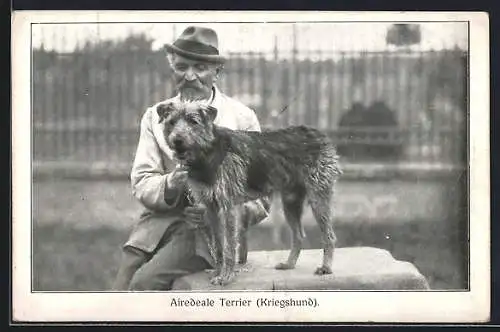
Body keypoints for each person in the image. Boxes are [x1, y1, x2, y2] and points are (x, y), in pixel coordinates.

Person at [112, 26, 270, 291]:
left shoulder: (241, 118)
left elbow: (262, 193)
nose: (190, 76)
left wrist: (219, 211)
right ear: (172, 69)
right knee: (121, 285)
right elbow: (142, 181)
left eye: (200, 68)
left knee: (144, 284)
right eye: (182, 67)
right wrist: (171, 183)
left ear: (216, 72)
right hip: (161, 224)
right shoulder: (156, 115)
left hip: (213, 233)